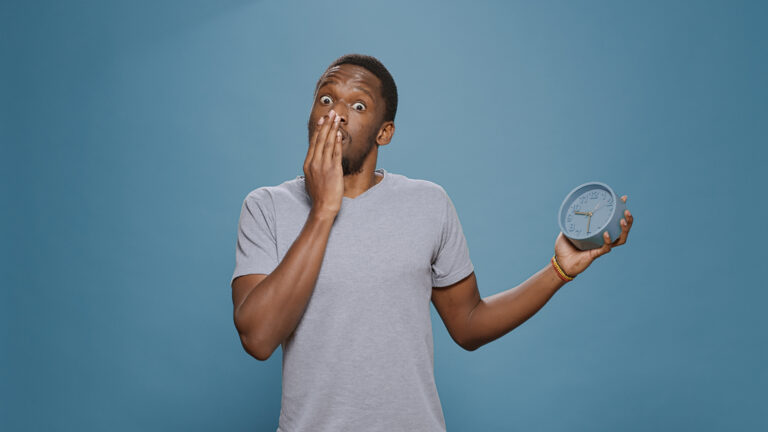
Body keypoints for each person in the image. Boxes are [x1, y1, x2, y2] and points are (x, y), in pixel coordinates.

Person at [230, 53, 633, 432]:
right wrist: (323, 211)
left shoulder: (428, 203)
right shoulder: (266, 207)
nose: (335, 114)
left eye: (358, 106)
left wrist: (558, 270)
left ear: (384, 132)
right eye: (325, 98)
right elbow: (258, 338)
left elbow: (469, 325)